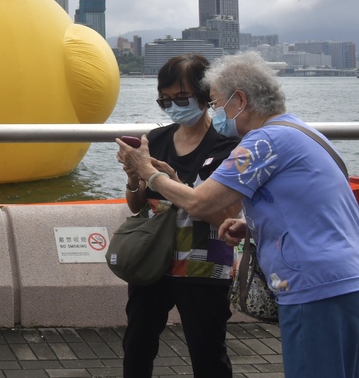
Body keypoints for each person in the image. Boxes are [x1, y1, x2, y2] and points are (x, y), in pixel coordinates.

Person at [118, 51, 359, 378]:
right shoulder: (303, 131)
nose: (218, 113)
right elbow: (307, 204)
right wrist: (249, 225)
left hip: (314, 284)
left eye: (217, 104)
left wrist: (148, 171)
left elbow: (201, 204)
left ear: (240, 100)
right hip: (346, 276)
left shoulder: (263, 142)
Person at [115, 54, 241, 378]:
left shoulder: (227, 146)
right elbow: (137, 205)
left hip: (204, 264)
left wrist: (171, 181)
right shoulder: (155, 140)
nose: (173, 106)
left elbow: (225, 216)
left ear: (205, 95)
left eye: (181, 98)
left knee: (207, 350)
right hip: (153, 256)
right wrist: (133, 176)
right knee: (137, 345)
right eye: (165, 100)